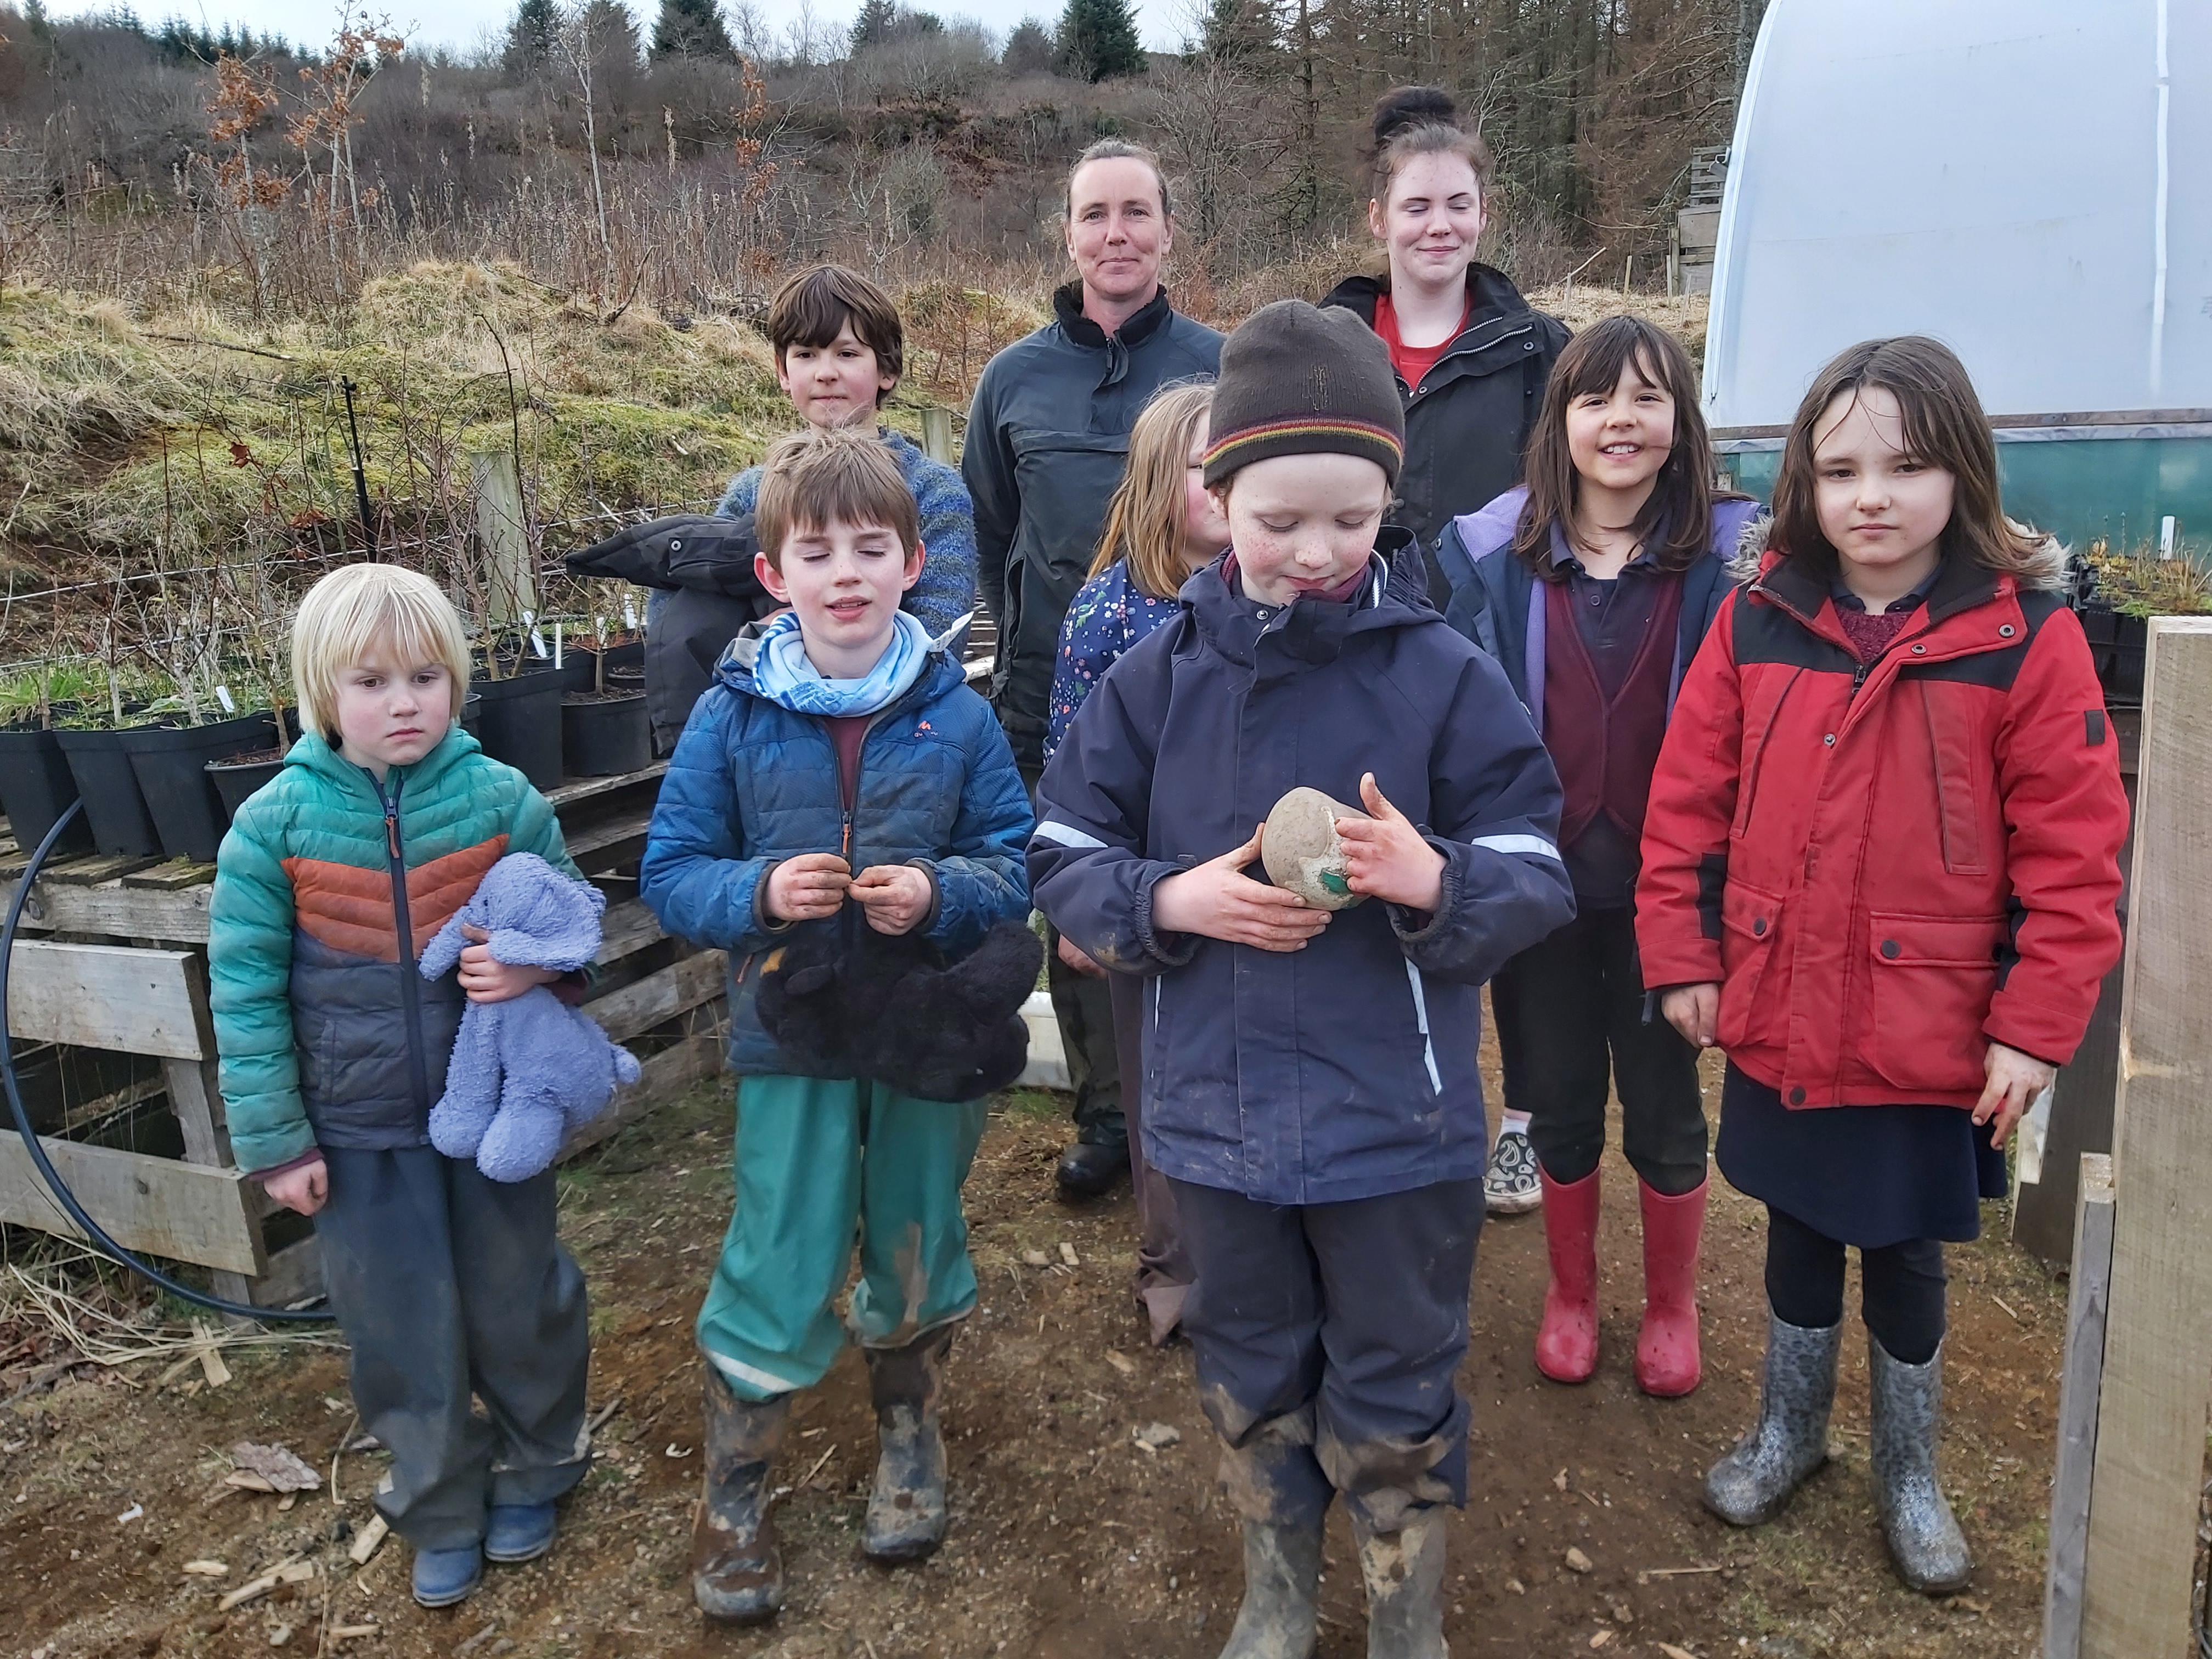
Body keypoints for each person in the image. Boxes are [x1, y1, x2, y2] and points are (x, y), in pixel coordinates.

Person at [1031, 301, 1574, 1659]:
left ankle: (1403, 1610)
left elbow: (1534, 858)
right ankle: (1277, 1589)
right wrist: (1170, 899)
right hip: (1213, 1120)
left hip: (1396, 1122)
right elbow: (1062, 847)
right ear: (1219, 502)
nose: (1319, 552)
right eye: (1281, 520)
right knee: (1251, 1359)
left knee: (1397, 1372)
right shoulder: (1157, 679)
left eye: (1352, 518)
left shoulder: (1442, 672)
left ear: (1389, 503)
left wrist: (1434, 877)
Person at [1637, 337, 2126, 1594]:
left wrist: (2032, 1028)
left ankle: (1910, 1470)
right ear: (1805, 480)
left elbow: (2074, 859)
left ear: (1962, 472)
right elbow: (1687, 804)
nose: (1873, 497)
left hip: (1932, 1026)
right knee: (1797, 1230)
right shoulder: (1758, 619)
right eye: (1842, 468)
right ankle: (1790, 1431)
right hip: (1783, 1004)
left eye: (1906, 467)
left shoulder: (2027, 640)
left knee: (1907, 1253)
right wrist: (1684, 954)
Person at [637, 427, 1031, 1624]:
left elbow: (1011, 861)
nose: (845, 573)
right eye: (817, 552)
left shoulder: (958, 715)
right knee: (781, 1243)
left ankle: (910, 1433)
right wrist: (759, 891)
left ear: (914, 564)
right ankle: (736, 1486)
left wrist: (939, 894)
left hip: (924, 1029)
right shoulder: (733, 715)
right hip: (791, 1031)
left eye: (871, 548)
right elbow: (672, 869)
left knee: (916, 1230)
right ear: (774, 575)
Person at [207, 563, 594, 1610]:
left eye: (426, 675)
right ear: (323, 691)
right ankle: (438, 1500)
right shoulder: (273, 827)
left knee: (519, 1298)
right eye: (372, 681)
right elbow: (243, 995)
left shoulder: (502, 798)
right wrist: (278, 1142)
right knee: (397, 1327)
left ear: (456, 681)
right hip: (359, 1130)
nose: (405, 700)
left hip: (490, 1118)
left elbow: (574, 923)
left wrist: (534, 970)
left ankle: (540, 1463)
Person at [1435, 316, 1763, 1396]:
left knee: (1666, 1109)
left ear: (1682, 421)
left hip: (1675, 893)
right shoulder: (1495, 556)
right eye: (1595, 400)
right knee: (1561, 1097)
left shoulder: (1734, 562)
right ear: (1559, 423)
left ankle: (1672, 1305)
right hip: (1546, 892)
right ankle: (1571, 1294)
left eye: (1648, 398)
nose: (1621, 420)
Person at [1319, 85, 1568, 1218]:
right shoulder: (1326, 344)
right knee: (1382, 870)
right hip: (1359, 653)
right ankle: (1393, 1097)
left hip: (1501, 658)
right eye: (1416, 205)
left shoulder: (1536, 351)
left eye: (1457, 204)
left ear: (1483, 213)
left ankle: (1521, 1121)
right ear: (1377, 217)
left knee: (1499, 873)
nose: (1438, 225)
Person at [964, 139, 1224, 1199]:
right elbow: (991, 531)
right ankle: (1108, 1112)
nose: (1115, 234)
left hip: (1205, 691)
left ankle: (1199, 1101)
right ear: (1067, 236)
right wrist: (1026, 636)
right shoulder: (1012, 379)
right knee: (1076, 890)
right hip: (1051, 688)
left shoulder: (1220, 367)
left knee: (1198, 884)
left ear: (1167, 230)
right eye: (1094, 215)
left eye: (1135, 212)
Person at [577, 264, 979, 752]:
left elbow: (942, 635)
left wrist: (811, 639)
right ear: (784, 373)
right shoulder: (754, 491)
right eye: (806, 354)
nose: (825, 372)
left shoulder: (933, 491)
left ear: (887, 370)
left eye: (847, 353)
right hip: (769, 737)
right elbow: (694, 599)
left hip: (900, 738)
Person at [1045, 380, 1223, 1346]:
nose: (1226, 483)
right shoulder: (1107, 612)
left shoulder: (1279, 599)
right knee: (1156, 1093)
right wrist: (1085, 909)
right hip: (1142, 903)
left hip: (1244, 899)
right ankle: (1172, 1267)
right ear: (1158, 480)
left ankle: (1251, 1259)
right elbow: (1070, 771)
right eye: (1204, 467)